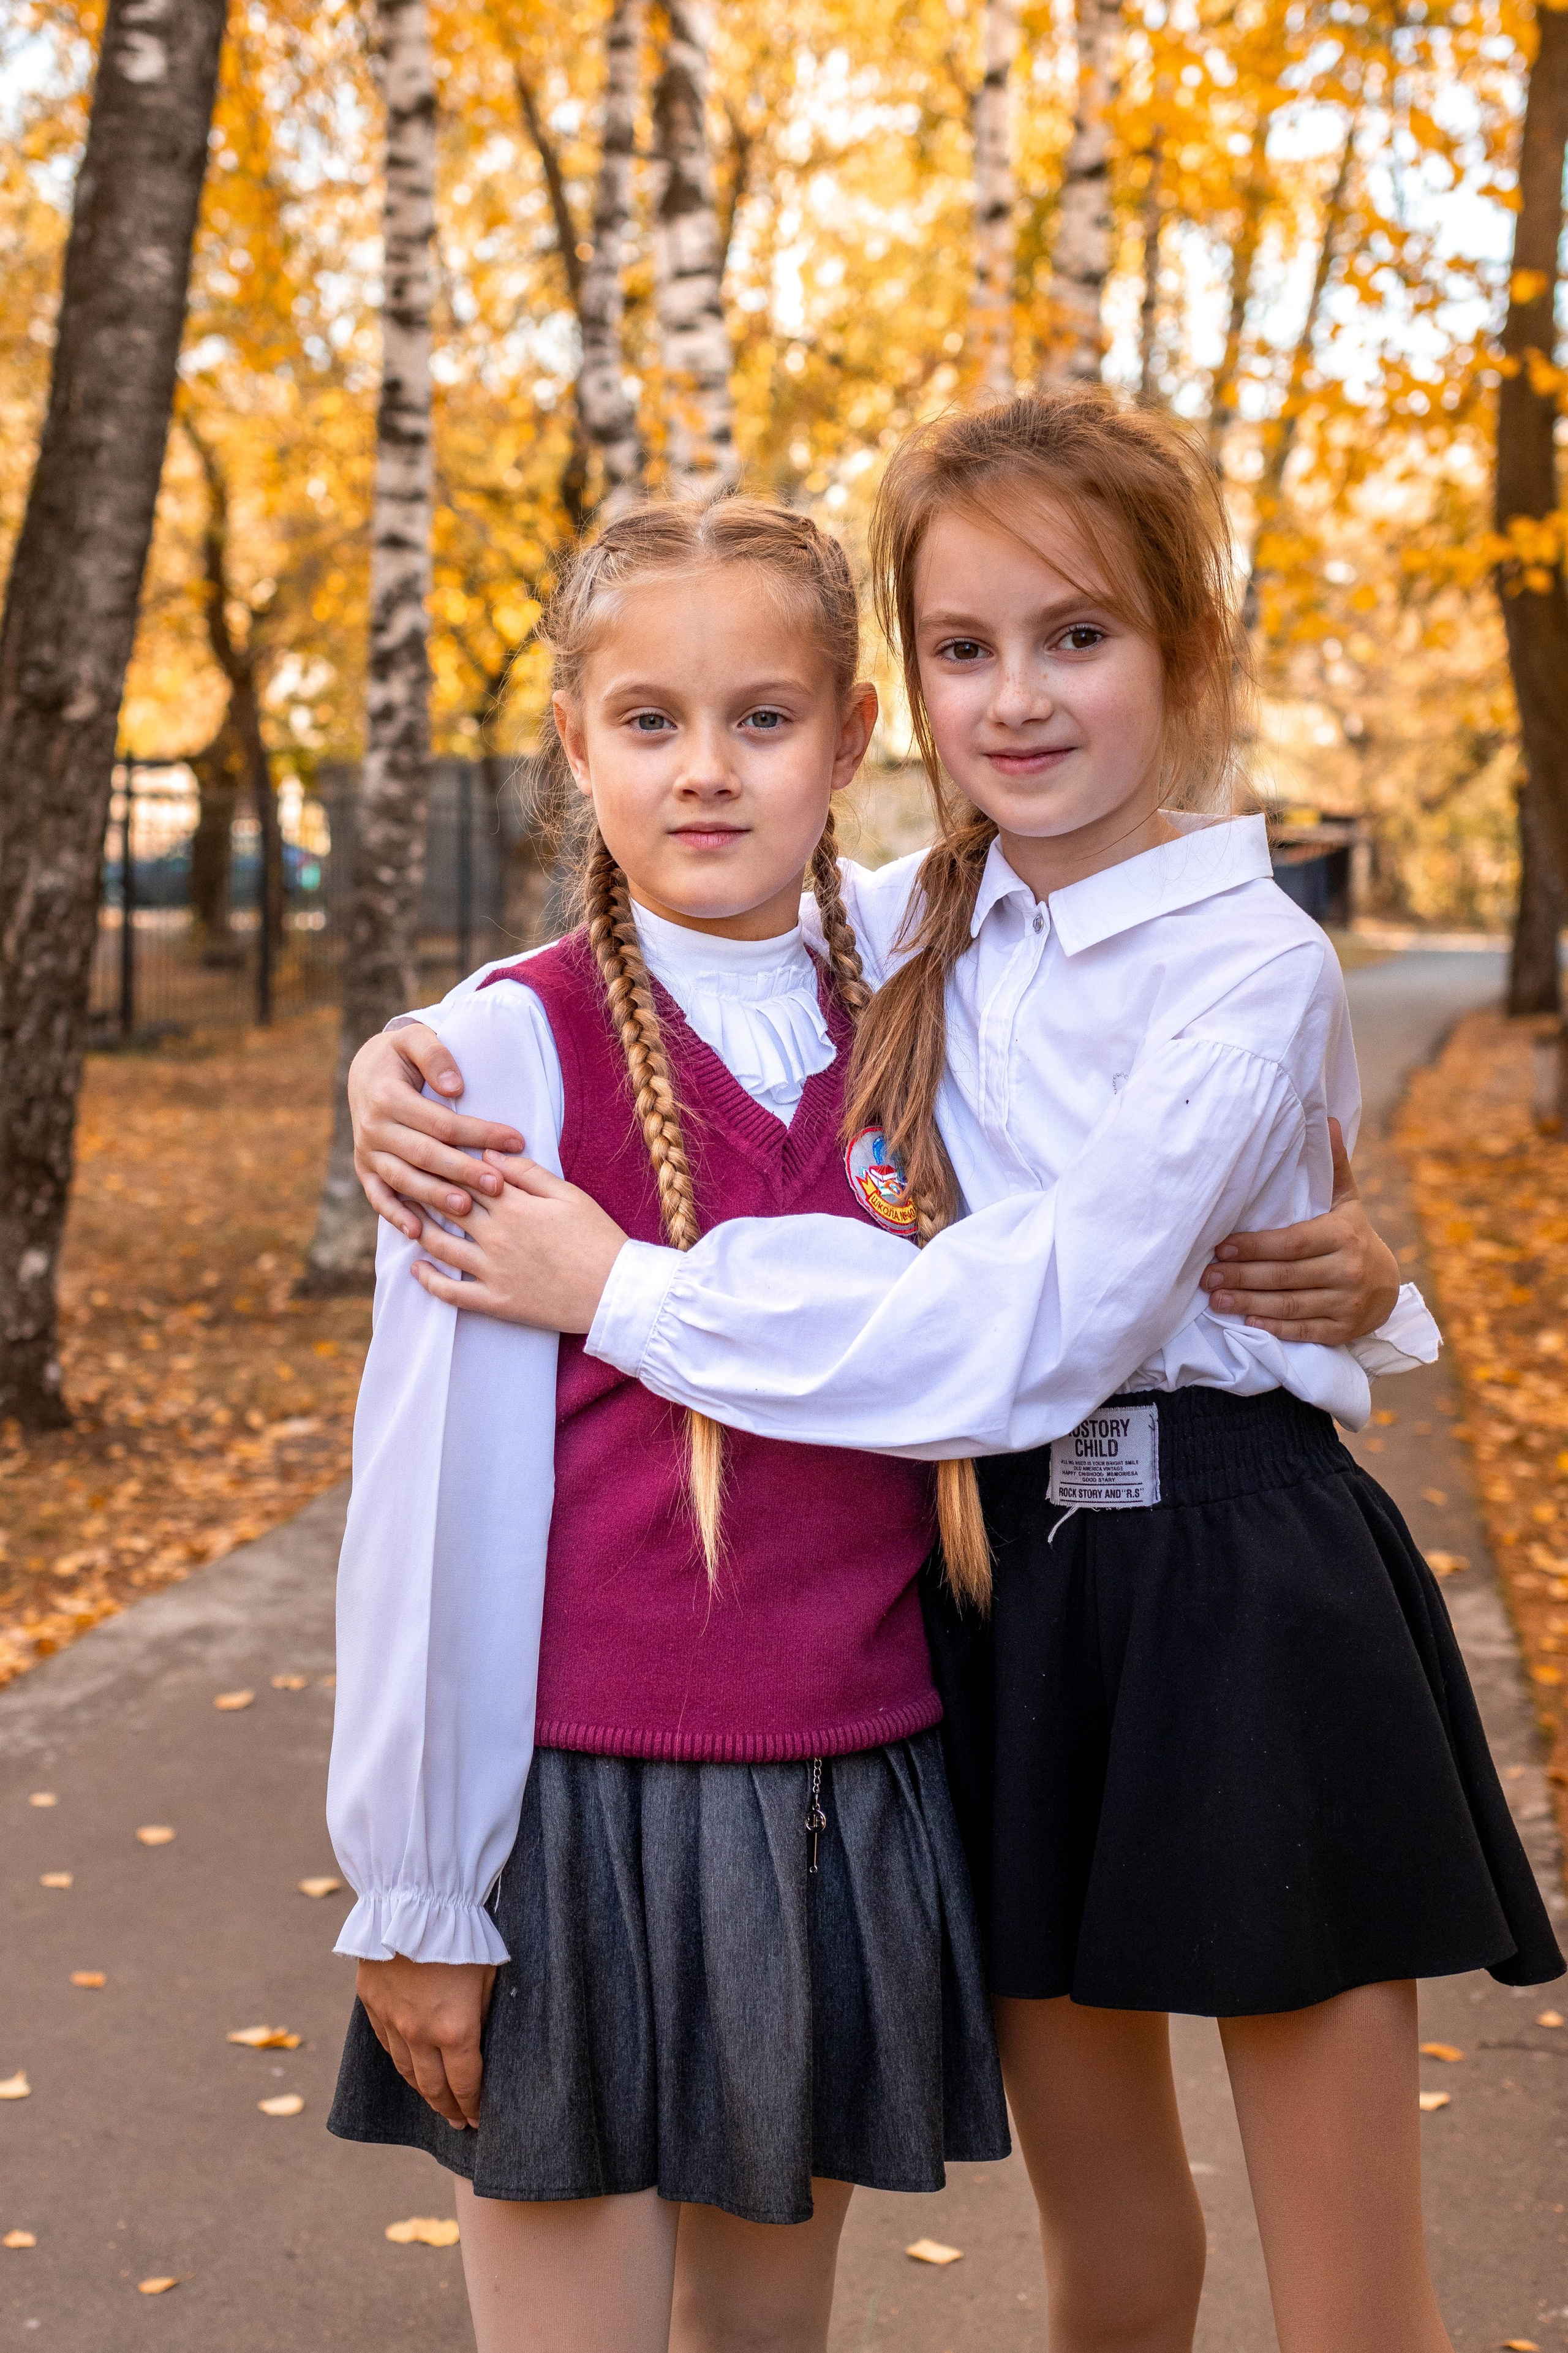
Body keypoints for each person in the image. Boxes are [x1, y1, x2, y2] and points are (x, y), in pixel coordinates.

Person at [353, 391, 1562, 2353]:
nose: (1017, 697)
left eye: (1079, 635)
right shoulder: (921, 923)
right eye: (962, 647)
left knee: (1351, 2302)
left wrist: (623, 1286)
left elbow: (1038, 1321)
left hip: (1248, 1592)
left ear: (1187, 646)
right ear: (899, 691)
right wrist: (406, 1054)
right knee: (1121, 2251)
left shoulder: (1251, 963)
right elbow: (680, 949)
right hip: (1015, 1605)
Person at [324, 499, 1010, 2353]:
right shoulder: (509, 1055)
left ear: (854, 736)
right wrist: (416, 1881)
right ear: (573, 741)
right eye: (647, 720)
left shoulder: (936, 1015)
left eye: (763, 718)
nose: (706, 770)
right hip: (575, 1815)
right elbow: (433, 1499)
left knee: (764, 2337)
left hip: (843, 1790)